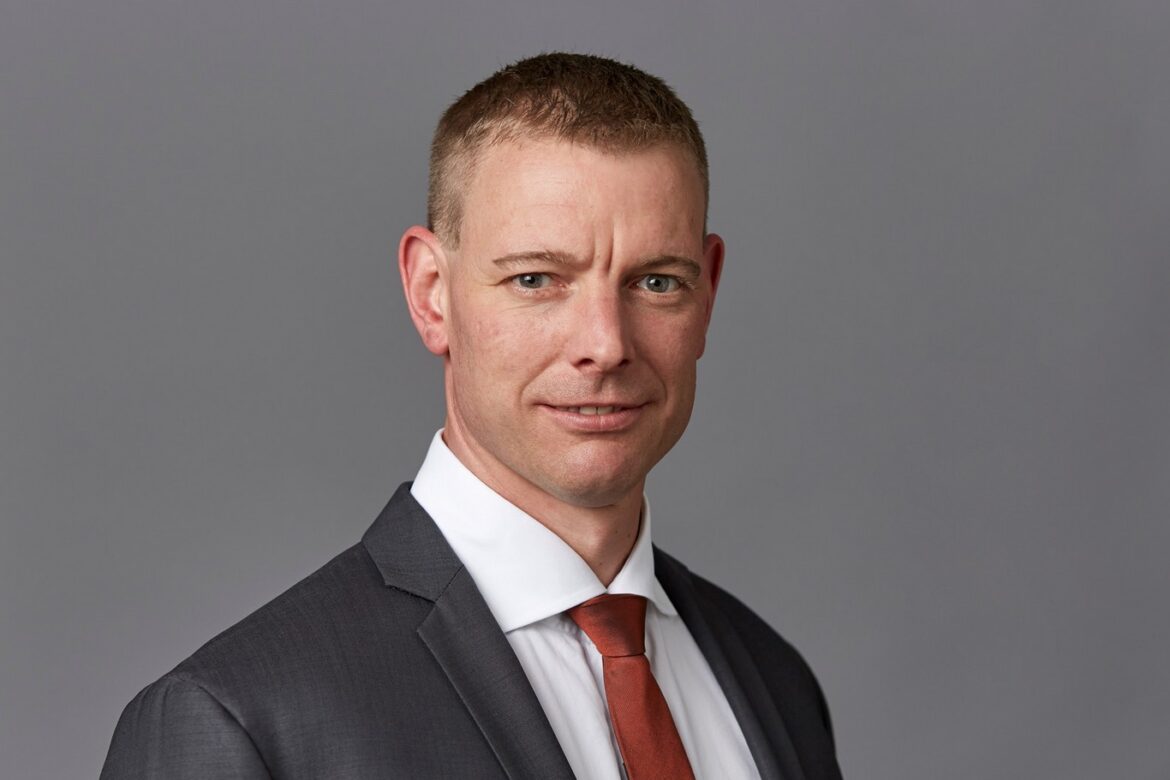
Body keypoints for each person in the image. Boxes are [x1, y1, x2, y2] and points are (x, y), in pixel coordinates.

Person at [101, 52, 843, 780]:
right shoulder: (239, 721)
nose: (606, 344)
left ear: (707, 292)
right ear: (431, 293)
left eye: (656, 282)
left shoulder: (774, 682)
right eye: (536, 279)